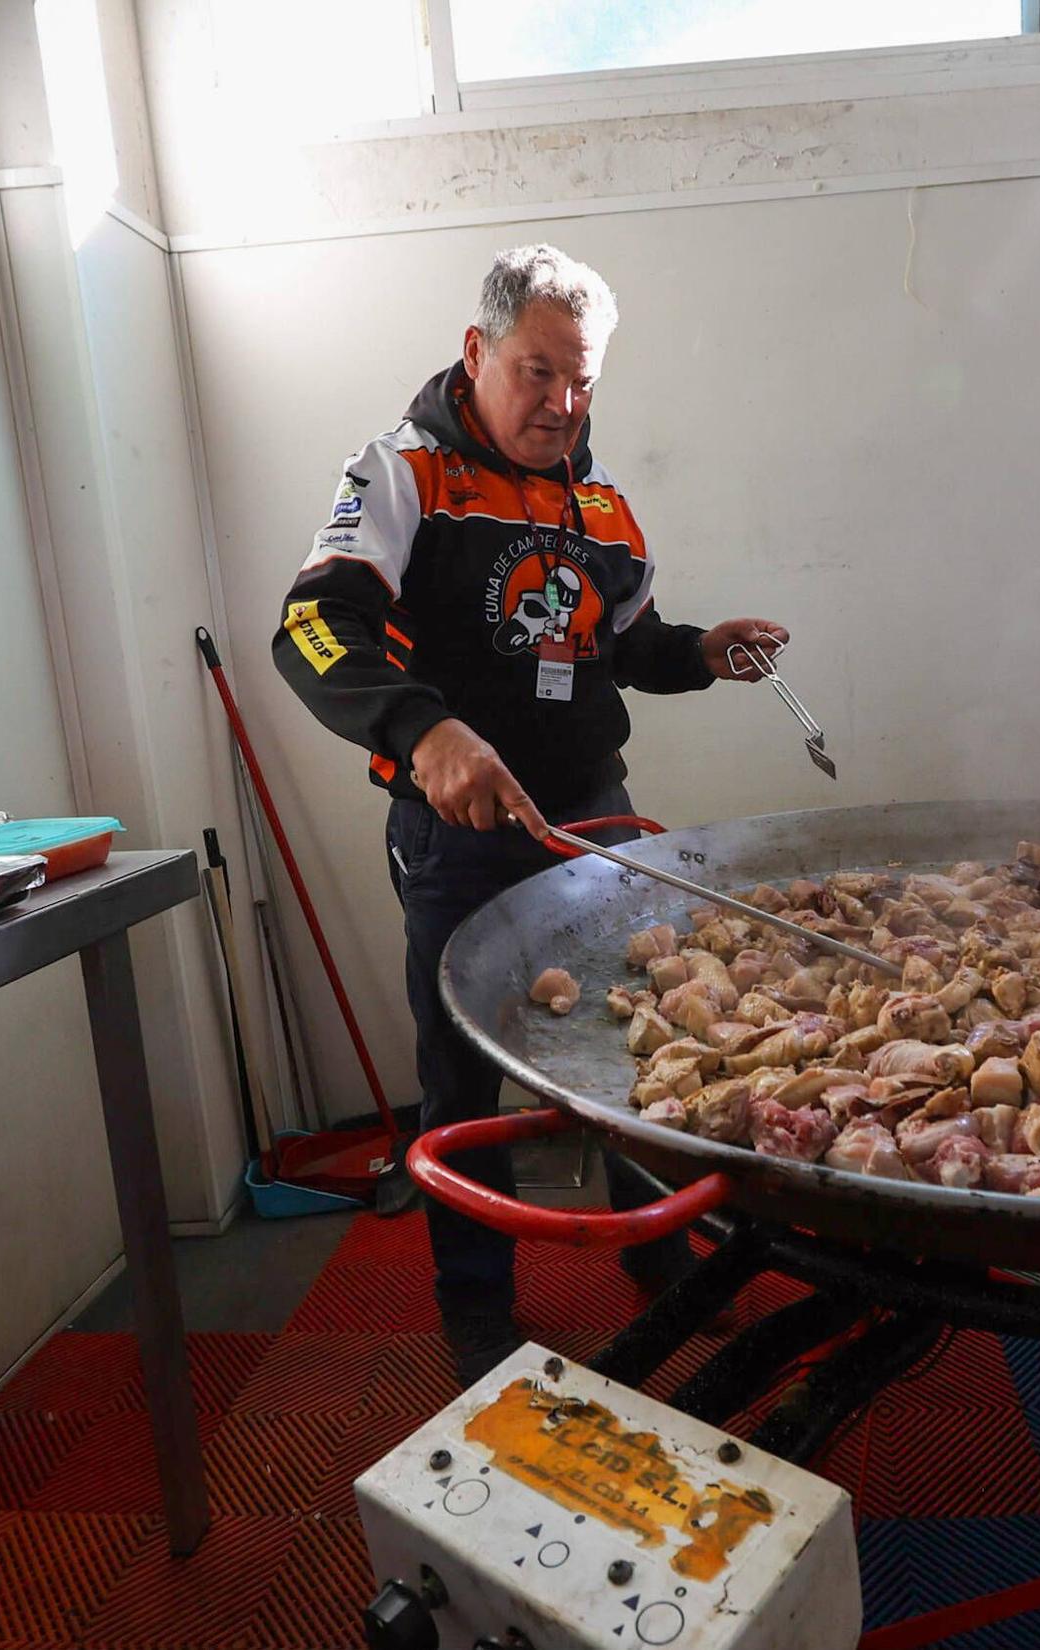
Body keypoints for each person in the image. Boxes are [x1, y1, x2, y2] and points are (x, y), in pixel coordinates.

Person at [272, 244, 786, 1382]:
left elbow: (624, 644)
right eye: (536, 372)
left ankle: (660, 1261)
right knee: (462, 1074)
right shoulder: (401, 474)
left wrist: (700, 653)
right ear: (477, 351)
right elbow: (313, 630)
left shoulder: (600, 503)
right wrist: (424, 731)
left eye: (583, 381)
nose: (561, 404)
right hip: (457, 837)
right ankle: (475, 1306)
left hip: (593, 821)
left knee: (639, 1040)